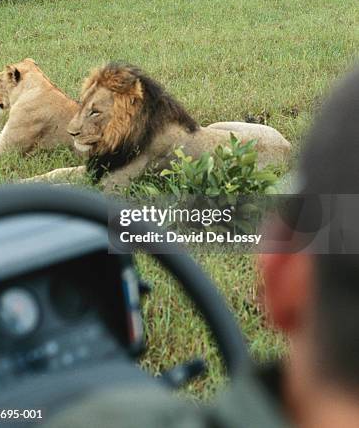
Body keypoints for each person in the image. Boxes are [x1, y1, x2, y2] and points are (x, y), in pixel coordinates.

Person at [46, 65, 359, 428]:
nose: (74, 126)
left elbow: (107, 186)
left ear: (277, 272)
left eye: (95, 112)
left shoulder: (160, 141)